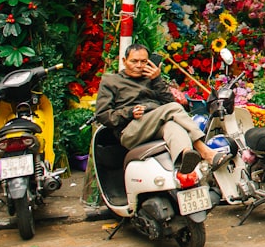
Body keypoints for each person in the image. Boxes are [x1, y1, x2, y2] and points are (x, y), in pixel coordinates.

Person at [95, 42, 223, 177]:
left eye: (143, 61)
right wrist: (128, 112)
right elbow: (102, 115)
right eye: (134, 61)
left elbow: (170, 102)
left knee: (172, 125)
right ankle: (205, 151)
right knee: (173, 109)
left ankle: (185, 156)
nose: (139, 65)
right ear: (124, 61)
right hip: (130, 131)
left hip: (156, 124)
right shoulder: (111, 82)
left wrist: (157, 80)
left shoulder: (151, 78)